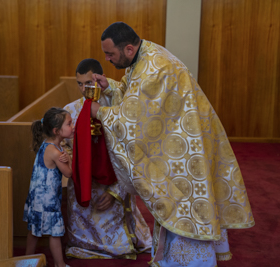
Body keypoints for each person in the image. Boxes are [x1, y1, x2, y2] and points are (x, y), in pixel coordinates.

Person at [90, 22, 255, 266]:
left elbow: (133, 119)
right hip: (179, 138)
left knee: (183, 203)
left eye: (110, 54)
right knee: (178, 203)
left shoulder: (154, 68)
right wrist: (112, 86)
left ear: (128, 49)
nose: (107, 59)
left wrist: (100, 112)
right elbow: (136, 94)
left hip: (183, 151)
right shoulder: (144, 56)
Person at [62, 58, 152, 259]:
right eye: (79, 83)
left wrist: (114, 193)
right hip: (84, 178)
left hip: (113, 178)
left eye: (88, 83)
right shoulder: (70, 110)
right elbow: (61, 144)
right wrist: (73, 162)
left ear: (99, 79)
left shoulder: (117, 107)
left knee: (119, 240)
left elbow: (130, 153)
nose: (83, 88)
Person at [23, 107, 73, 267]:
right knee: (54, 233)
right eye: (69, 124)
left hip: (37, 198)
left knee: (34, 230)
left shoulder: (47, 144)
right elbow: (69, 173)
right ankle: (59, 264)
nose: (72, 126)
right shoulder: (56, 152)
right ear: (57, 131)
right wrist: (69, 159)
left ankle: (26, 260)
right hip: (48, 201)